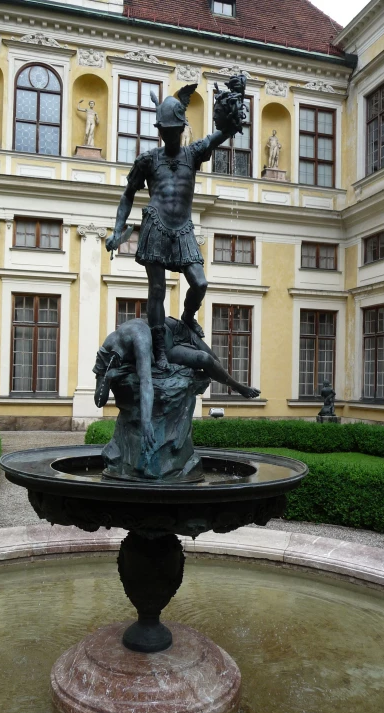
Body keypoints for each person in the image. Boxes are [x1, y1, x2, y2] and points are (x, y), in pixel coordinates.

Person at [105, 80, 244, 370]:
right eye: (166, 131)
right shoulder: (147, 160)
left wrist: (234, 103)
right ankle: (160, 351)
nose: (171, 135)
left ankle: (188, 316)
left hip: (183, 229)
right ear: (160, 131)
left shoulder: (193, 154)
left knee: (200, 283)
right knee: (156, 290)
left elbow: (224, 134)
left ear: (181, 129)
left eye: (175, 131)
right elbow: (127, 194)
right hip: (155, 225)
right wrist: (117, 230)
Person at [93, 318, 155, 451]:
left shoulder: (139, 337)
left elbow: (146, 380)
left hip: (163, 339)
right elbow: (99, 401)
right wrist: (108, 378)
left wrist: (146, 422)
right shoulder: (105, 353)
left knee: (202, 358)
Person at [164, 317, 260, 398]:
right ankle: (238, 386)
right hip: (167, 348)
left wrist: (189, 320)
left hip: (178, 328)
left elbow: (192, 302)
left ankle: (233, 384)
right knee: (205, 359)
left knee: (215, 362)